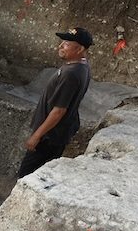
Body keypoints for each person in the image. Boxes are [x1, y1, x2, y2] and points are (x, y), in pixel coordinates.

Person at [18, 27, 94, 178]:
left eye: (66, 44)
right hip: (56, 134)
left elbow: (59, 111)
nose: (60, 46)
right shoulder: (80, 66)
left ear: (79, 49)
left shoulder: (71, 74)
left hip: (49, 137)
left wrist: (36, 136)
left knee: (26, 175)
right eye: (62, 42)